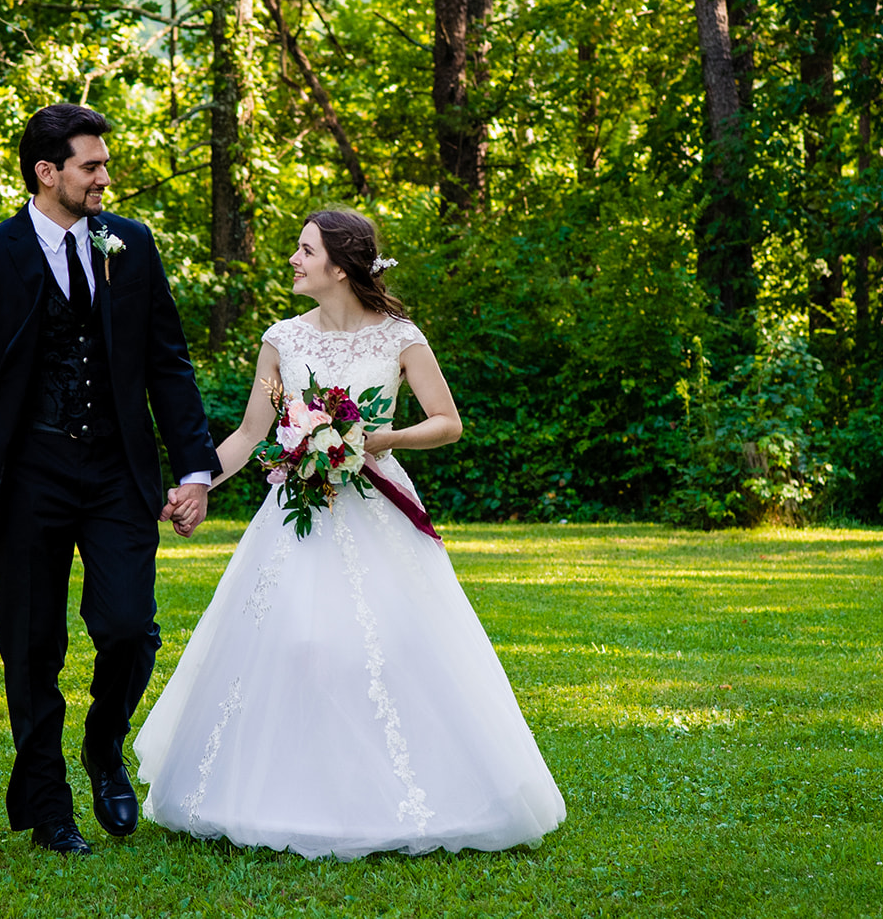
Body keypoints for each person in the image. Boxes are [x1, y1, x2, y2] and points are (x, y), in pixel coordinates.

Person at [133, 210, 566, 860]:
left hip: (376, 507)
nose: (293, 261)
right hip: (298, 512)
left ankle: (407, 792)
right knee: (295, 641)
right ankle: (285, 792)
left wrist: (379, 438)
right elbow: (254, 433)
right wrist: (197, 483)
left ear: (338, 264)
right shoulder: (282, 339)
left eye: (304, 250)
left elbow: (447, 421)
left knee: (394, 644)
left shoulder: (399, 337)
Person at [0, 103, 221, 856]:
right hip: (28, 476)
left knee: (128, 625)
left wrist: (196, 468)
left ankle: (104, 744)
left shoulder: (131, 243)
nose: (105, 176)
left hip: (115, 472)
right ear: (47, 172)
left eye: (103, 163)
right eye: (91, 165)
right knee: (31, 645)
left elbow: (167, 359)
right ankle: (46, 805)